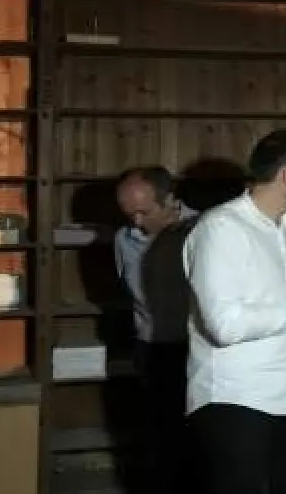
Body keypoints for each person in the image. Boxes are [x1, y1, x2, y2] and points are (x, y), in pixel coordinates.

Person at [182, 129, 286, 494]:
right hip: (239, 400)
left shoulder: (281, 223)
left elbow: (272, 297)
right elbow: (225, 325)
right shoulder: (221, 229)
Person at [113, 166, 198, 494]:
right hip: (151, 348)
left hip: (195, 348)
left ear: (171, 200)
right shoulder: (124, 240)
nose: (136, 222)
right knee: (161, 439)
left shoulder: (205, 230)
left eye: (144, 212)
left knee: (199, 438)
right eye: (128, 214)